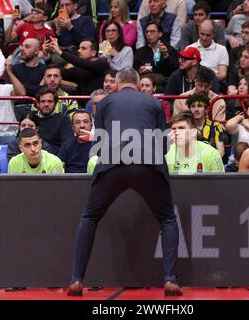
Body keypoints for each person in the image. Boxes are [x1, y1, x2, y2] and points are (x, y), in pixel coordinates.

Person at [67, 67, 181, 297]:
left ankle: (77, 280)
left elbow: (98, 143)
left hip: (112, 164)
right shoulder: (155, 103)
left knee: (90, 217)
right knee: (167, 219)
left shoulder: (106, 103)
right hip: (148, 164)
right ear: (139, 85)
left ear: (117, 85)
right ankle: (170, 280)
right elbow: (163, 145)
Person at [45, 38, 110, 96]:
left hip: (101, 104)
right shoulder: (78, 70)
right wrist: (46, 57)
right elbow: (57, 72)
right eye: (79, 48)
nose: (79, 51)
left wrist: (60, 52)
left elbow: (82, 63)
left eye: (83, 48)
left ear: (93, 53)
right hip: (82, 106)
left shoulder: (102, 64)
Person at [133, 20, 179, 90]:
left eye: (152, 31)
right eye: (147, 32)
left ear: (160, 34)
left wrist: (166, 55)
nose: (148, 34)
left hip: (165, 87)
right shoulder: (140, 52)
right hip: (144, 87)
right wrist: (140, 71)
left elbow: (174, 71)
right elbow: (135, 72)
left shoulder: (170, 50)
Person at [31, 87, 73, 154]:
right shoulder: (30, 119)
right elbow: (19, 141)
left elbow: (67, 145)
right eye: (43, 101)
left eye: (50, 101)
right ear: (38, 104)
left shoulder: (64, 120)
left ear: (55, 104)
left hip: (55, 159)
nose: (46, 104)